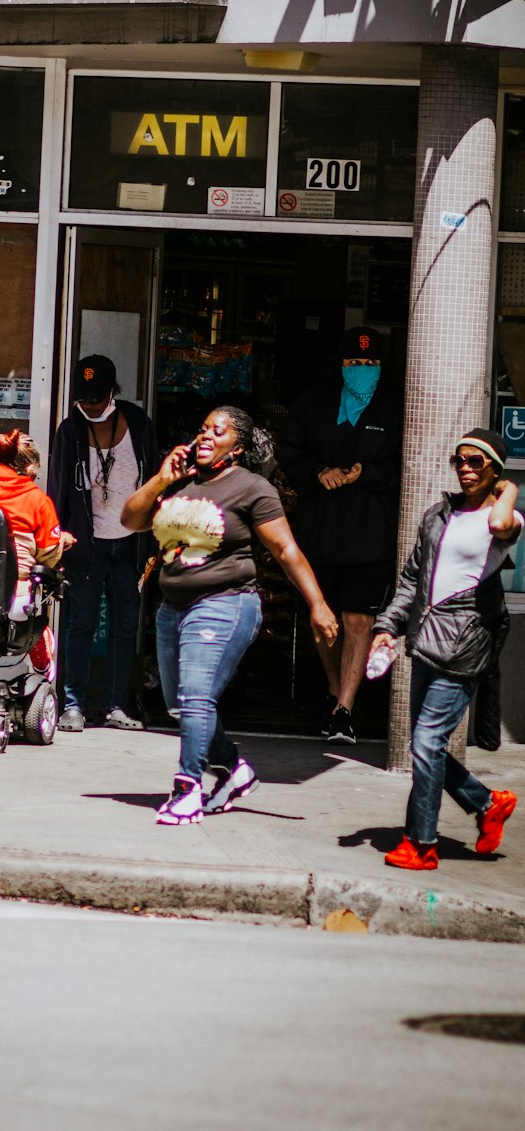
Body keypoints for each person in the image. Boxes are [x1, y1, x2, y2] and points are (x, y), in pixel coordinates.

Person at [121, 406, 338, 825]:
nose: (204, 437)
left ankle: (187, 789)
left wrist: (318, 604)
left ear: (237, 447)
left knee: (195, 697)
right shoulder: (179, 484)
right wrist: (163, 477)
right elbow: (130, 518)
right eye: (201, 429)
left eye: (216, 432)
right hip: (172, 609)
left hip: (226, 602)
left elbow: (286, 550)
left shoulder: (253, 488)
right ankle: (235, 771)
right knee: (180, 707)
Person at [369, 428, 519, 871]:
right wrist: (387, 626)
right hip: (426, 639)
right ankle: (488, 804)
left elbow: (498, 524)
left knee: (427, 741)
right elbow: (412, 579)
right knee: (426, 744)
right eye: (461, 460)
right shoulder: (439, 514)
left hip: (467, 642)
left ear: (494, 468)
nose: (466, 469)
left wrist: (507, 488)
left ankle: (421, 843)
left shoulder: (506, 519)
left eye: (478, 462)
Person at [279, 325, 403, 744]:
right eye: (354, 363)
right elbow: (289, 451)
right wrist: (318, 472)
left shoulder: (395, 405)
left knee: (357, 618)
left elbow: (410, 462)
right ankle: (336, 693)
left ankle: (345, 710)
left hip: (371, 535)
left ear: (382, 366)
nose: (362, 371)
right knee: (325, 622)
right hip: (320, 533)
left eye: (370, 364)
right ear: (341, 365)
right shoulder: (314, 403)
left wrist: (368, 473)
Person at [48, 354, 158, 732]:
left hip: (131, 544)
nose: (91, 405)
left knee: (126, 624)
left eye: (97, 398)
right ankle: (72, 705)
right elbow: (59, 487)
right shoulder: (71, 430)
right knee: (80, 622)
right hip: (86, 544)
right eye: (84, 399)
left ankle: (117, 706)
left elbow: (156, 479)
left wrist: (156, 541)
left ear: (114, 392)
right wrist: (58, 534)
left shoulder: (139, 423)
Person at [0, 430, 74, 658]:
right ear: (30, 469)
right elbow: (50, 556)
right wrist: (62, 539)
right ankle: (38, 641)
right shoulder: (36, 500)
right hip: (9, 601)